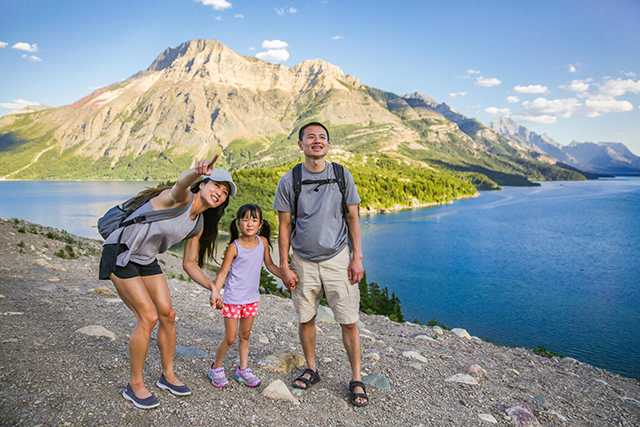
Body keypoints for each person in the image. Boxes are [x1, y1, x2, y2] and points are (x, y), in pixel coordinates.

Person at [99, 156, 235, 409]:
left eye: (225, 192)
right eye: (216, 185)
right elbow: (180, 186)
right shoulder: (181, 199)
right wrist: (193, 172)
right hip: (120, 251)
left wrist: (213, 287)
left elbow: (190, 264)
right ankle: (135, 385)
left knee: (168, 315)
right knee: (148, 317)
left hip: (145, 258)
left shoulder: (198, 224)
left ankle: (168, 376)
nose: (220, 193)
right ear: (202, 184)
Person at [273, 122, 368, 407]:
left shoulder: (341, 175)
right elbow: (284, 226)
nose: (317, 141)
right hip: (302, 260)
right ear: (300, 145)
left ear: (328, 145)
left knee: (348, 320)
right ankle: (312, 368)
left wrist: (357, 257)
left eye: (322, 137)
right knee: (306, 317)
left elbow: (353, 218)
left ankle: (356, 377)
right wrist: (284, 266)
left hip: (338, 259)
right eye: (310, 137)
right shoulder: (290, 180)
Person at [207, 204, 282, 388]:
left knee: (245, 335)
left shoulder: (263, 242)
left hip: (251, 299)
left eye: (254, 220)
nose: (250, 223)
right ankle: (216, 368)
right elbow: (223, 273)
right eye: (245, 219)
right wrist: (215, 292)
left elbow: (270, 265)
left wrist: (285, 275)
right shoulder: (234, 247)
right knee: (231, 337)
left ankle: (243, 370)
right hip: (232, 299)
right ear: (238, 223)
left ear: (260, 224)